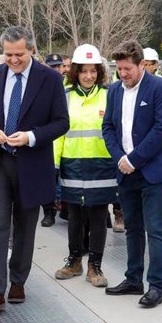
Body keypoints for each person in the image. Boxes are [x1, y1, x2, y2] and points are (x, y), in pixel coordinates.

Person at [0, 26, 69, 312]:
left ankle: (19, 281)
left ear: (32, 50)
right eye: (8, 54)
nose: (13, 60)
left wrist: (31, 137)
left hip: (31, 162)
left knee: (25, 226)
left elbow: (61, 122)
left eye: (19, 55)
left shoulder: (49, 79)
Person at [102, 39, 162, 308]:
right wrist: (120, 159)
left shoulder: (160, 88)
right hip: (126, 171)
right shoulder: (114, 91)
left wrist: (133, 159)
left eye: (127, 69)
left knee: (155, 231)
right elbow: (108, 128)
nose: (123, 74)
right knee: (132, 229)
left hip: (154, 172)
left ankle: (156, 286)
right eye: (119, 69)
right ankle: (133, 278)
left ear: (142, 65)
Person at [53, 44, 117, 288]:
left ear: (99, 72)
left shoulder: (109, 95)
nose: (89, 76)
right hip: (73, 164)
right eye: (83, 71)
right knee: (75, 217)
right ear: (75, 72)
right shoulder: (65, 96)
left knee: (99, 216)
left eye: (93, 71)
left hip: (102, 165)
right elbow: (59, 134)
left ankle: (95, 266)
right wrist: (54, 164)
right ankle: (75, 261)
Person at [41, 53, 67, 227]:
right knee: (48, 181)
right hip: (50, 141)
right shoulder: (42, 86)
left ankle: (65, 209)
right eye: (53, 67)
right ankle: (48, 212)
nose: (57, 70)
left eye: (59, 66)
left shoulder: (70, 85)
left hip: (68, 140)